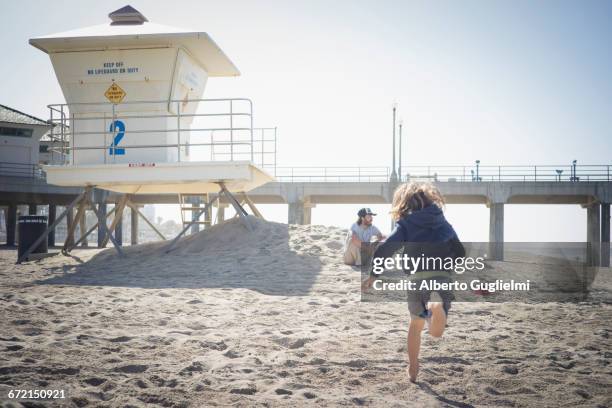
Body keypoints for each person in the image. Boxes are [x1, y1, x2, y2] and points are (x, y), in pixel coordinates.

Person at [361, 182, 465, 382]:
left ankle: (413, 366)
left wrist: (374, 275)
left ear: (405, 203)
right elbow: (460, 251)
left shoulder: (406, 224)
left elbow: (384, 250)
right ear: (431, 200)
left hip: (417, 280)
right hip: (442, 279)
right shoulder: (444, 223)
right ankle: (436, 305)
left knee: (416, 325)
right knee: (436, 332)